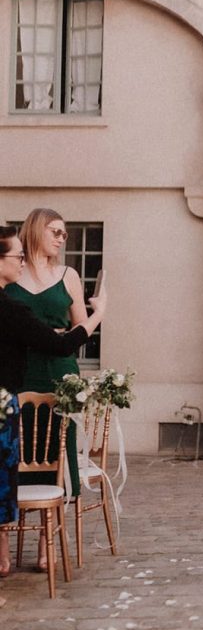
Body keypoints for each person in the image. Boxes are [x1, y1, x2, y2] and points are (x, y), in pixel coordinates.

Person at [0, 226, 106, 584]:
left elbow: (60, 343)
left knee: (42, 457)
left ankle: (47, 541)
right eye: (15, 256)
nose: (61, 238)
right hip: (13, 386)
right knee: (9, 463)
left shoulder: (60, 279)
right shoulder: (9, 302)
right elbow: (57, 342)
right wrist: (99, 313)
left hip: (49, 376)